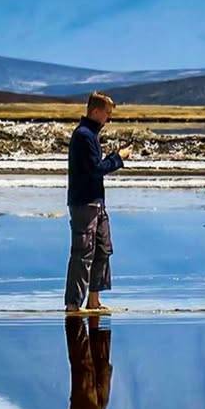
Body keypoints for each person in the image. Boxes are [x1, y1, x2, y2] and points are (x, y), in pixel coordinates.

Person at [65, 92, 131, 314]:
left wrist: (114, 157)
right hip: (85, 203)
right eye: (107, 114)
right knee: (83, 252)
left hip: (96, 202)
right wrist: (118, 157)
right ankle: (73, 303)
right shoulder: (83, 135)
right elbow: (96, 169)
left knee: (102, 249)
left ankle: (94, 300)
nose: (108, 119)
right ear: (95, 112)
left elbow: (96, 168)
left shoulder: (90, 135)